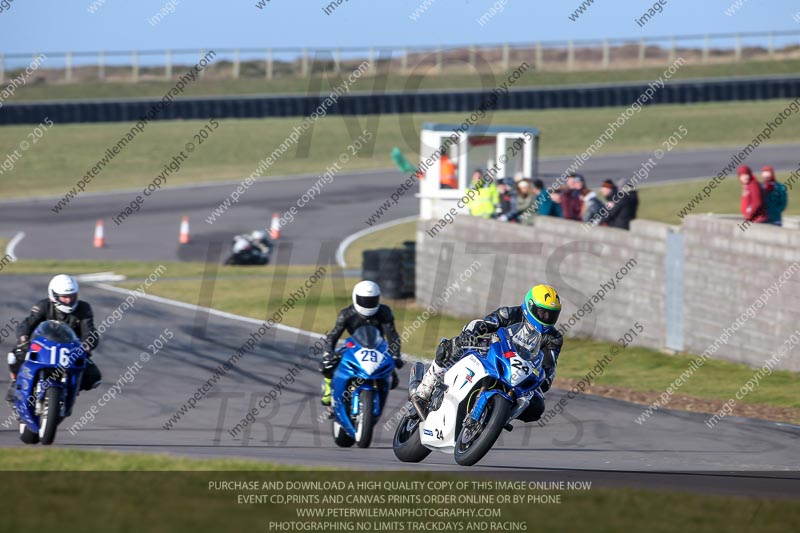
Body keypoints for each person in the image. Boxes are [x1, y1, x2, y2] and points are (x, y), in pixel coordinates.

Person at [415, 285, 564, 424]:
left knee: (537, 406)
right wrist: (470, 334)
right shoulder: (510, 314)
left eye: (551, 315)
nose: (546, 318)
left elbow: (549, 367)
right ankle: (426, 387)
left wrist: (544, 380)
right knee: (452, 347)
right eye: (543, 312)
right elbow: (484, 323)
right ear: (530, 306)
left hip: (518, 372)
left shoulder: (553, 338)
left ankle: (496, 417)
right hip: (491, 353)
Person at [6, 275, 102, 404]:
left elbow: (89, 330)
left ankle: (69, 390)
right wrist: (24, 339)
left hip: (71, 350)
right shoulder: (43, 305)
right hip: (44, 346)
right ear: (54, 296)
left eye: (72, 296)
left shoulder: (83, 308)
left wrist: (87, 346)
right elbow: (27, 324)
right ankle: (14, 382)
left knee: (93, 377)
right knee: (15, 355)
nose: (68, 300)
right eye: (64, 297)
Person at [319, 280, 403, 405]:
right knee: (328, 364)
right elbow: (333, 336)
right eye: (364, 300)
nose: (368, 305)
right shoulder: (346, 314)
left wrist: (395, 355)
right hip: (353, 347)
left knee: (393, 381)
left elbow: (392, 335)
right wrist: (328, 353)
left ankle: (376, 398)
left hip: (378, 348)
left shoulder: (384, 312)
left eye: (371, 300)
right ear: (355, 298)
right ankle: (328, 388)